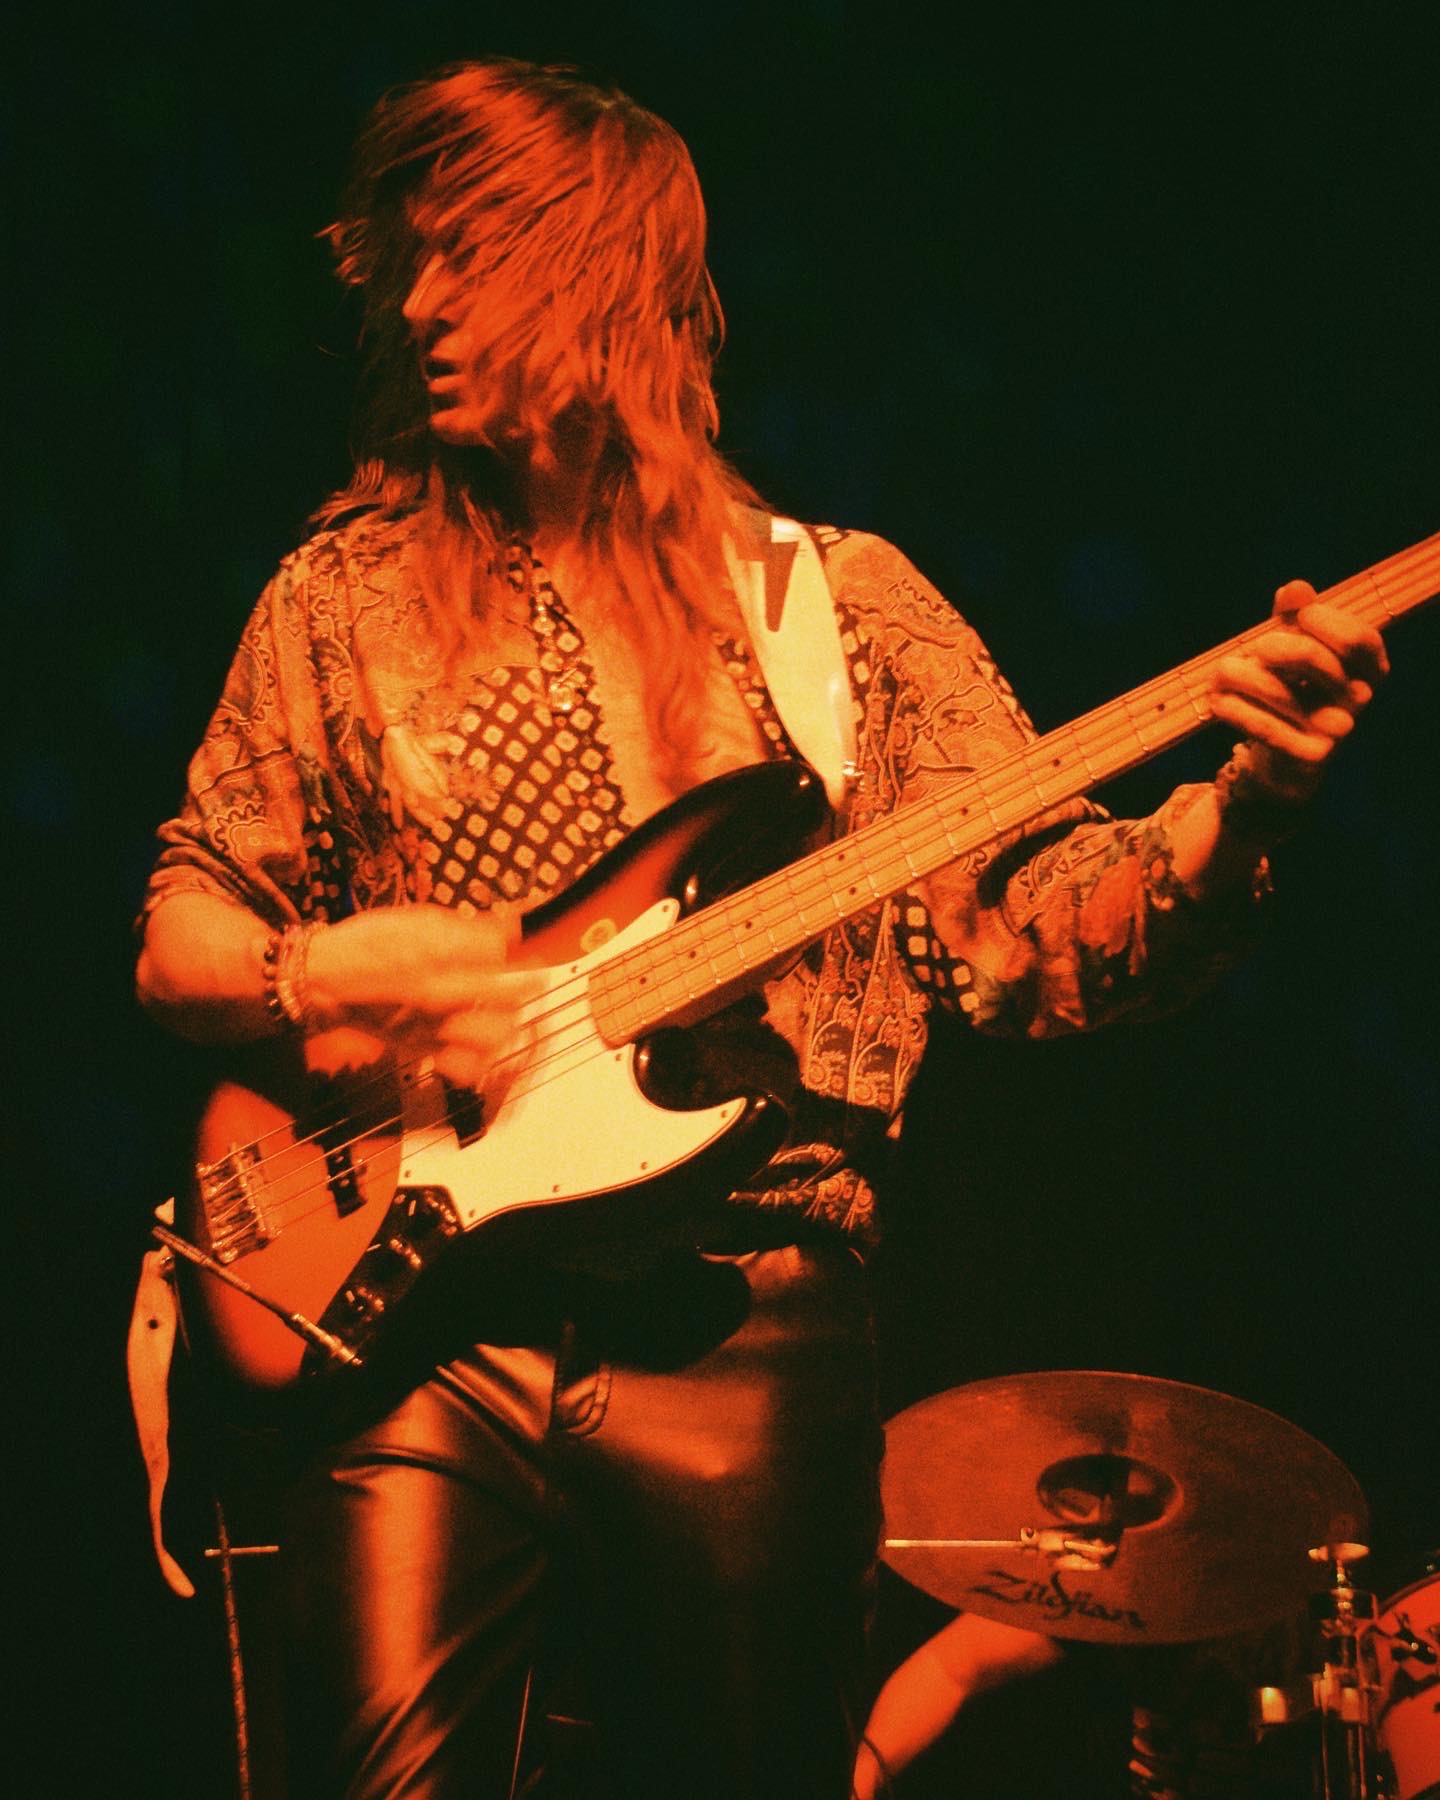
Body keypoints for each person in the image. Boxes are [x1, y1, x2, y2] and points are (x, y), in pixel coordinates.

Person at [134, 57, 1388, 1800]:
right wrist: (307, 967)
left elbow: (1040, 940)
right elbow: (182, 923)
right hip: (423, 1318)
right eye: (410, 262)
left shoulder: (836, 611)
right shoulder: (336, 599)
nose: (418, 308)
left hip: (745, 1326)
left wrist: (1241, 805)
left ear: (599, 280)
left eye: (468, 259)